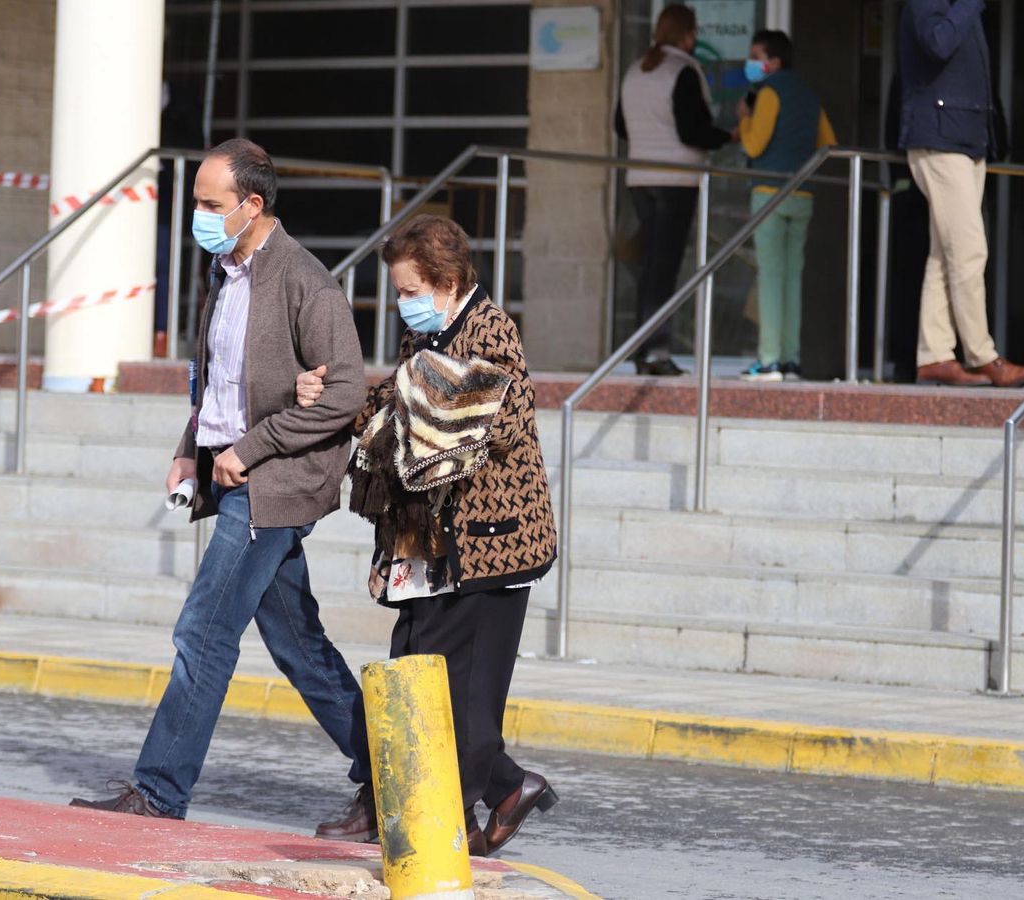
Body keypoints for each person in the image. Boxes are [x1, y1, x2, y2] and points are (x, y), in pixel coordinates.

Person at [70, 139, 374, 830]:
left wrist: (251, 447)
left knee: (203, 632)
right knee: (298, 645)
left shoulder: (306, 282)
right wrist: (191, 450)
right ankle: (390, 777)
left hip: (276, 486)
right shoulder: (223, 275)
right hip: (234, 474)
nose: (199, 216)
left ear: (253, 205)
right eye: (198, 202)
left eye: (211, 204)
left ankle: (159, 791)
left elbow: (346, 392)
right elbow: (218, 385)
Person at [299, 216, 559, 857]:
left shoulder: (490, 331)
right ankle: (499, 789)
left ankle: (442, 821)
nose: (401, 301)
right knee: (415, 675)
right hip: (431, 547)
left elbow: (465, 427)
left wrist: (399, 406)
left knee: (458, 695)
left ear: (446, 281)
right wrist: (327, 393)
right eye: (398, 289)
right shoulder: (432, 333)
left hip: (488, 544)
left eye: (409, 287)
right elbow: (391, 405)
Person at [898, 0, 1024, 387]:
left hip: (965, 140)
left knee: (946, 253)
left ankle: (935, 355)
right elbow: (937, 43)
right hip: (941, 140)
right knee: (970, 249)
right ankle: (982, 355)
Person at [615, 4, 734, 377]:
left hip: (640, 179)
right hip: (676, 179)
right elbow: (693, 131)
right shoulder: (682, 71)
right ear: (688, 33)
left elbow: (620, 126)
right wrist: (728, 136)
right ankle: (656, 352)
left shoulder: (636, 70)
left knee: (651, 265)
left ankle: (642, 349)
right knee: (663, 269)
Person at [736, 29, 836, 382]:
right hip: (803, 194)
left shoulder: (769, 93)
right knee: (792, 278)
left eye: (755, 55)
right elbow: (829, 142)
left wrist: (744, 119)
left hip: (770, 193)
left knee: (771, 277)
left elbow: (754, 145)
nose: (751, 62)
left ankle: (769, 361)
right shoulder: (809, 95)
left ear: (773, 62)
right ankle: (791, 360)